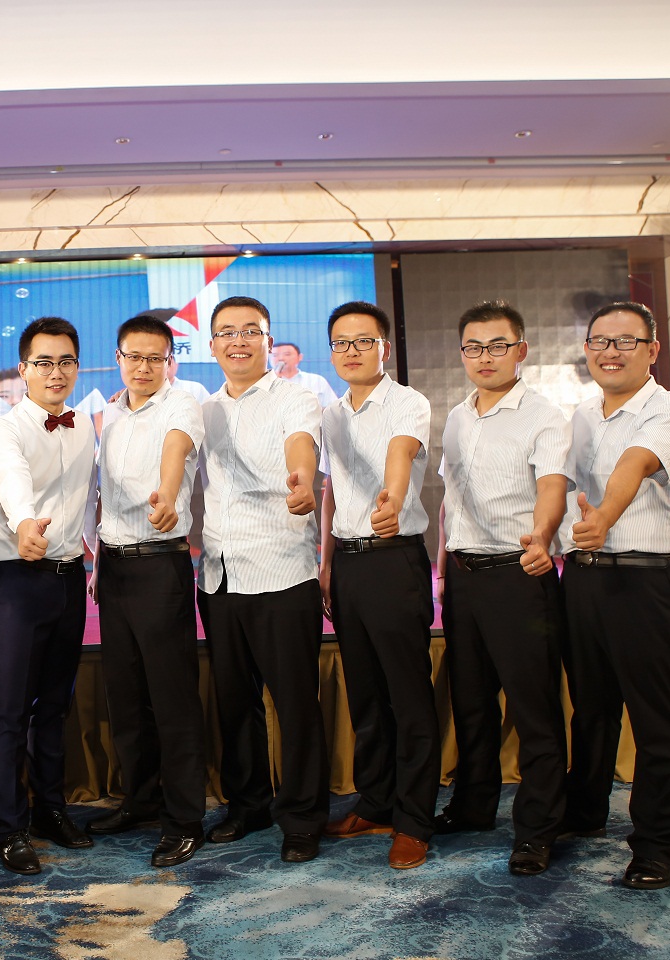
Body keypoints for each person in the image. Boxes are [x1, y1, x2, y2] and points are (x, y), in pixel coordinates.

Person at [560, 301, 670, 891]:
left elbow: (634, 465)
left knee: (656, 718)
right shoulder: (580, 415)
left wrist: (602, 518)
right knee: (591, 710)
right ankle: (584, 812)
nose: (610, 352)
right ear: (587, 349)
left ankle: (658, 844)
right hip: (584, 579)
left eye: (625, 341)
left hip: (648, 581)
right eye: (600, 341)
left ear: (652, 350)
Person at [435, 302, 570, 876]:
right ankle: (473, 805)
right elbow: (451, 499)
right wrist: (443, 567)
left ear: (521, 350)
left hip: (520, 575)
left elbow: (552, 487)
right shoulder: (457, 416)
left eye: (497, 346)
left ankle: (537, 830)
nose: (484, 357)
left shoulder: (543, 416)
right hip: (464, 580)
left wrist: (542, 536)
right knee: (471, 703)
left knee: (534, 708)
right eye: (473, 347)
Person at [197, 296, 329, 865]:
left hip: (280, 570)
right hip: (219, 574)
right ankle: (248, 805)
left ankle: (302, 818)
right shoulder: (203, 408)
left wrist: (301, 477)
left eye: (250, 331)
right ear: (211, 346)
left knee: (295, 703)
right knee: (235, 702)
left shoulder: (296, 397)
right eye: (227, 332)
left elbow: (301, 443)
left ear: (269, 342)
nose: (239, 340)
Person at [318, 300, 439, 870]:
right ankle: (376, 803)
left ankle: (414, 821)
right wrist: (325, 564)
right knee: (365, 694)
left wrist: (390, 499)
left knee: (407, 696)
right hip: (348, 564)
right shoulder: (330, 412)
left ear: (384, 348)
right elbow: (330, 490)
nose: (352, 351)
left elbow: (400, 454)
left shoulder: (407, 402)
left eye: (363, 341)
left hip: (394, 560)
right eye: (341, 343)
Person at [88, 314, 208, 868]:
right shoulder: (110, 412)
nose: (143, 367)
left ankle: (183, 819)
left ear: (169, 361)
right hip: (114, 569)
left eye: (154, 358)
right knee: (127, 695)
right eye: (133, 357)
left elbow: (176, 450)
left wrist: (167, 492)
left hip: (161, 566)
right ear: (118, 358)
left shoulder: (183, 403)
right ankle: (139, 800)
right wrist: (97, 560)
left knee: (171, 697)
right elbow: (103, 493)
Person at [0, 316, 98, 874]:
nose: (56, 373)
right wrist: (25, 523)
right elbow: (11, 480)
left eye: (66, 362)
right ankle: (9, 826)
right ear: (23, 369)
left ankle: (50, 808)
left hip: (68, 577)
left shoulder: (85, 425)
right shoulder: (6, 430)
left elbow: (90, 495)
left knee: (54, 704)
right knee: (11, 707)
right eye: (44, 362)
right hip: (18, 577)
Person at [273, 341, 338, 408]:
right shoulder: (267, 381)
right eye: (274, 355)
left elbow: (333, 408)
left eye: (287, 354)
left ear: (300, 357)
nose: (281, 358)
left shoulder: (316, 380)